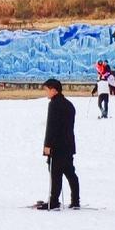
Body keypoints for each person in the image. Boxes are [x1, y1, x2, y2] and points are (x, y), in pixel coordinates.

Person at [40, 78, 78, 210]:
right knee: (70, 172)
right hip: (68, 144)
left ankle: (54, 201)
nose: (46, 93)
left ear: (54, 90)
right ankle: (75, 200)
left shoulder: (54, 104)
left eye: (47, 90)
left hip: (57, 146)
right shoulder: (69, 104)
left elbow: (51, 127)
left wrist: (47, 145)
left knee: (55, 173)